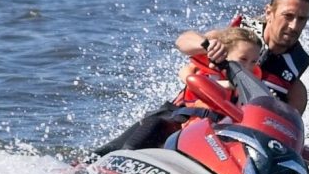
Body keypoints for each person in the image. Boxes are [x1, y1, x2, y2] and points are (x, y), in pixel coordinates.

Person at [89, 26, 262, 158]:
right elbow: (185, 70)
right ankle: (111, 161)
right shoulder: (208, 65)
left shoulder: (251, 82)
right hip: (176, 118)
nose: (248, 66)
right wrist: (221, 82)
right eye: (243, 59)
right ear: (226, 55)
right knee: (128, 141)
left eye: (254, 61)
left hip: (207, 133)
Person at [175, 0, 309, 114]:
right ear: (269, 13)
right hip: (192, 115)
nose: (294, 26)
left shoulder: (296, 89)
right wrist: (207, 45)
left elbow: (289, 131)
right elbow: (182, 41)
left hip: (239, 130)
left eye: (302, 19)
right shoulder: (236, 36)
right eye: (288, 16)